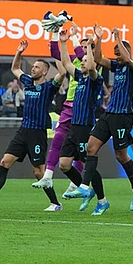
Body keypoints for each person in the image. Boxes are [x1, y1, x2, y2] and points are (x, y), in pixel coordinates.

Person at [65, 25, 133, 212]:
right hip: (108, 114)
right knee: (91, 148)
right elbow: (99, 58)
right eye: (115, 52)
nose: (117, 56)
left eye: (119, 52)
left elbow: (126, 58)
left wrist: (117, 37)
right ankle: (85, 186)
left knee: (121, 155)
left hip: (123, 116)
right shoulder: (117, 66)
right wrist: (99, 39)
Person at [0, 40, 66, 211]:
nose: (33, 69)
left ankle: (55, 203)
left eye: (37, 67)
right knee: (5, 162)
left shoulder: (49, 87)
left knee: (38, 172)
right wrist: (19, 52)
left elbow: (62, 73)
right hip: (23, 131)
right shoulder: (28, 82)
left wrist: (56, 54)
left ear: (44, 71)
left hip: (37, 133)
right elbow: (15, 68)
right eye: (33, 67)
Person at [32, 13, 85, 199]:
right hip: (70, 105)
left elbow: (80, 54)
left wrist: (75, 36)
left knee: (82, 150)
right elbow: (56, 54)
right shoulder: (75, 60)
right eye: (83, 44)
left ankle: (78, 184)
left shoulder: (94, 65)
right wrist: (57, 35)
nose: (83, 48)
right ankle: (48, 175)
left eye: (88, 46)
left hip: (85, 109)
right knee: (58, 138)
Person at [55, 30, 106, 214]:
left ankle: (102, 201)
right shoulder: (79, 78)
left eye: (85, 60)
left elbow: (92, 67)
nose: (82, 63)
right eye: (82, 61)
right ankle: (87, 190)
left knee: (87, 165)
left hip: (86, 128)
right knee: (64, 164)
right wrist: (63, 42)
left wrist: (92, 45)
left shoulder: (95, 80)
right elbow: (67, 63)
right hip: (73, 127)